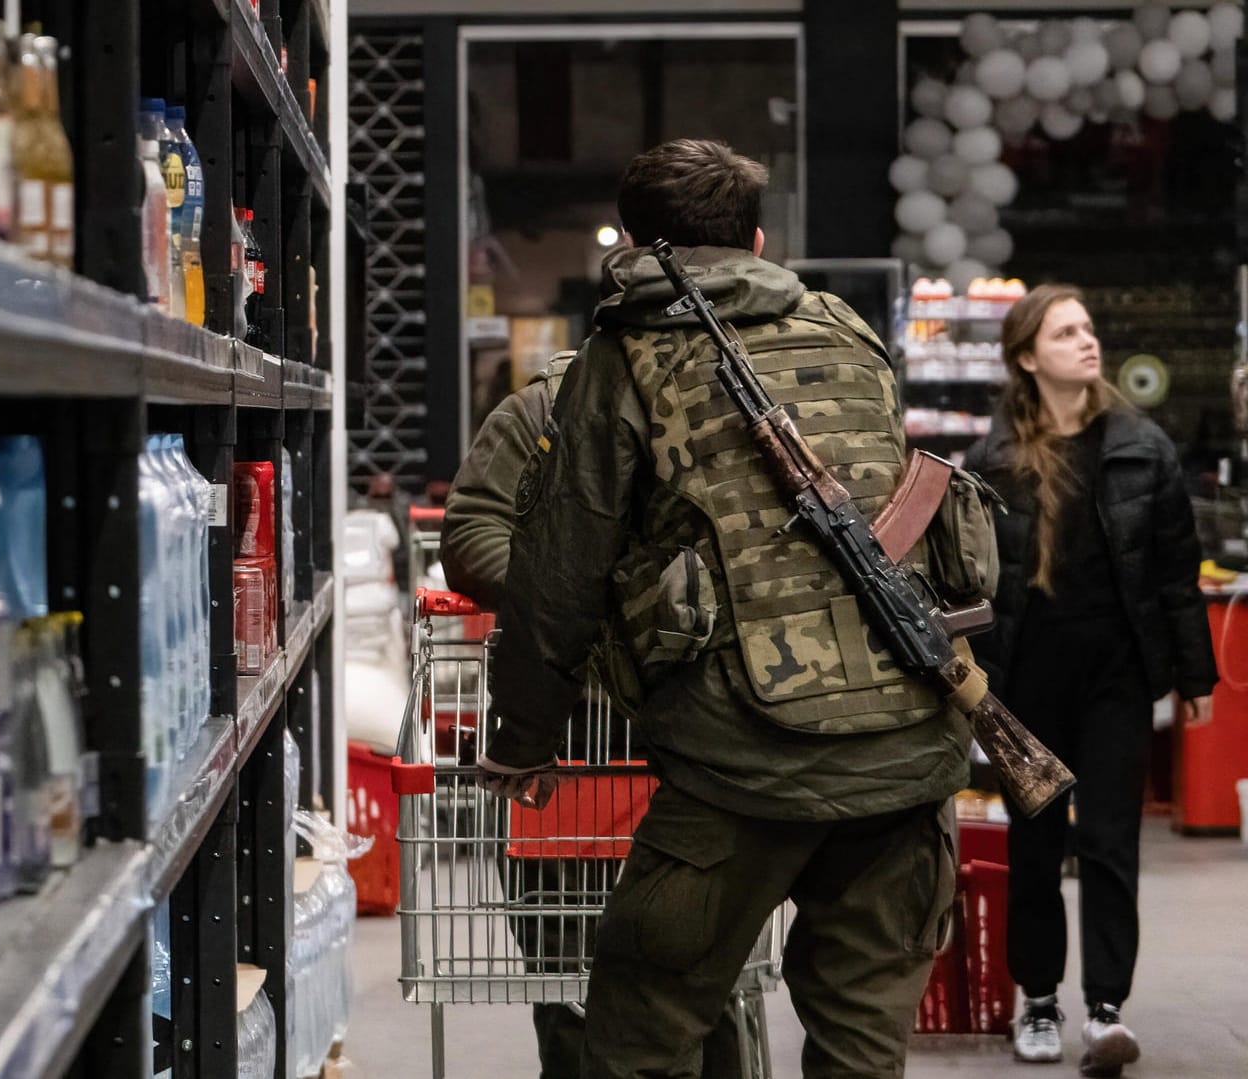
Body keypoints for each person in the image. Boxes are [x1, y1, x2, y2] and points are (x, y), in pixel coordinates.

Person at [479, 138, 970, 1079]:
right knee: (862, 1045)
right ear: (754, 238)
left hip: (740, 760)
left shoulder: (622, 358)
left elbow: (558, 572)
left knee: (638, 1034)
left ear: (629, 240)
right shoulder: (844, 326)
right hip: (908, 742)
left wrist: (525, 737)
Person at [442, 354, 751, 1079]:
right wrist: (596, 599)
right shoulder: (544, 411)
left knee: (710, 992)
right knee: (569, 986)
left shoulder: (734, 399)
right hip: (571, 752)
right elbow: (471, 533)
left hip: (706, 744)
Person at [963, 285, 1216, 1077]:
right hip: (1025, 681)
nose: (1087, 342)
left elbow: (1176, 573)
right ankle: (1039, 998)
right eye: (1066, 332)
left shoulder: (1144, 445)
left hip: (1116, 676)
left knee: (1110, 843)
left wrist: (1194, 675)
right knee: (1036, 846)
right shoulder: (993, 458)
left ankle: (1108, 1007)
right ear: (1028, 356)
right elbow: (969, 579)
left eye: (1089, 328)